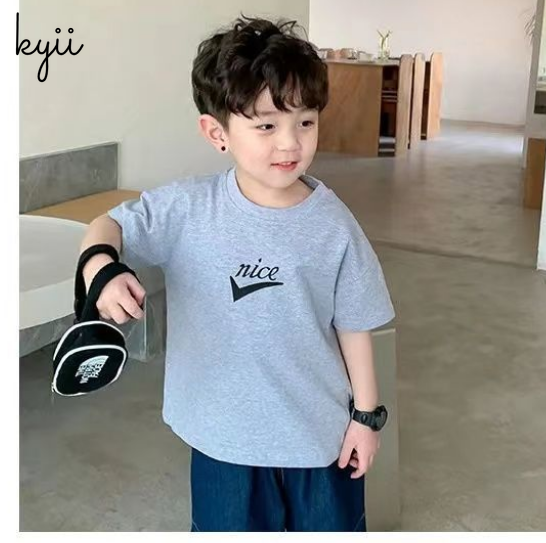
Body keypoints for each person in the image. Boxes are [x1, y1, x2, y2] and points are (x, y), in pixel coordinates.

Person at [78, 15, 395, 532]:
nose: (290, 144)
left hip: (319, 437)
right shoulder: (188, 210)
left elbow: (354, 325)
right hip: (222, 441)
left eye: (305, 122)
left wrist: (366, 417)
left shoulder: (333, 225)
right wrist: (102, 267)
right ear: (216, 132)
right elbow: (106, 225)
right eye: (266, 125)